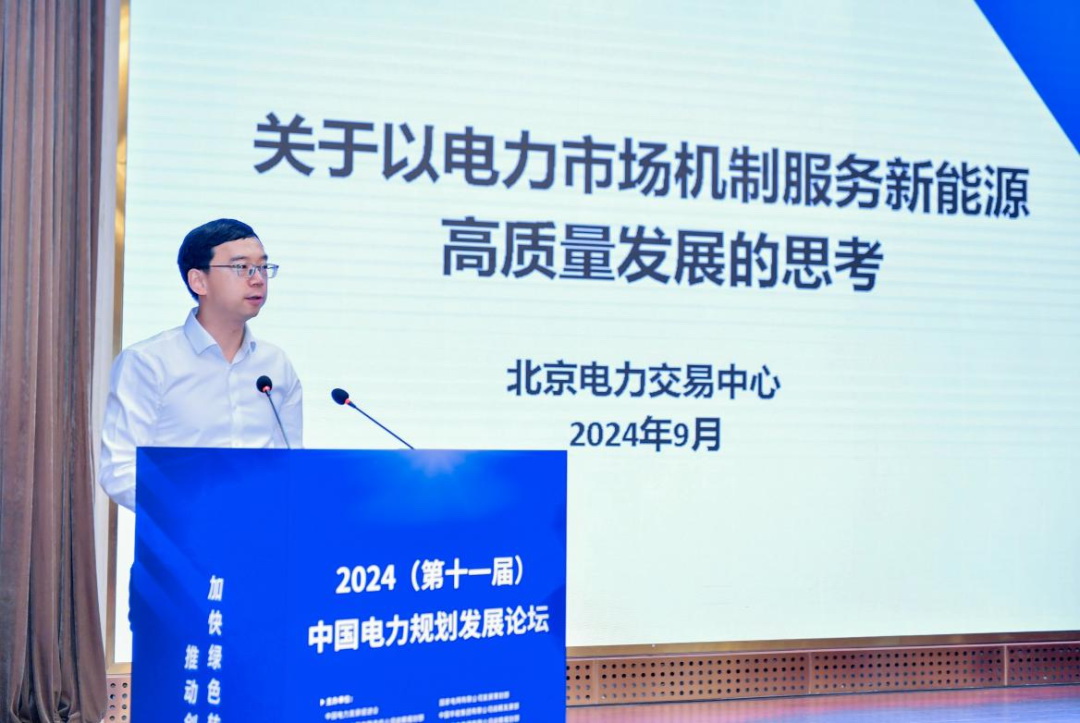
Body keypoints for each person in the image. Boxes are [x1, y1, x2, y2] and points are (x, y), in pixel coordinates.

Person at [99, 218, 303, 510]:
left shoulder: (275, 364)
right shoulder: (148, 362)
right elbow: (119, 470)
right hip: (181, 532)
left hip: (262, 531)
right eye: (241, 267)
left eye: (263, 267)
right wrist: (193, 510)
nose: (258, 279)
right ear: (198, 281)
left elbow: (291, 461)